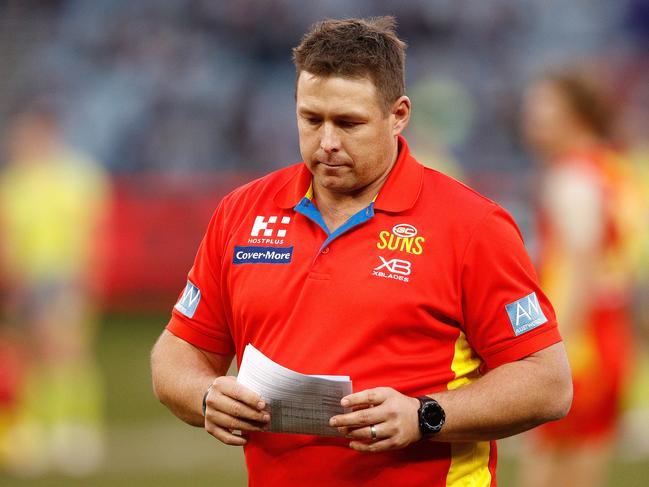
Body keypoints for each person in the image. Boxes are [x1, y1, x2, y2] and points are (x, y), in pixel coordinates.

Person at [151, 17, 572, 486]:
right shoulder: (241, 213)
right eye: (311, 120)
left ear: (399, 115)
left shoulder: (473, 226)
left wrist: (424, 415)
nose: (327, 142)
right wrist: (204, 395)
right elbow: (178, 352)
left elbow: (548, 383)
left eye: (348, 123)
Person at [519, 69, 637, 487]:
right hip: (609, 333)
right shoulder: (611, 168)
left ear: (574, 116)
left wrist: (552, 348)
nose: (531, 118)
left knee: (546, 468)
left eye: (542, 108)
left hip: (580, 340)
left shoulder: (572, 176)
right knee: (586, 465)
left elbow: (581, 269)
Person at [0, 98, 109, 476]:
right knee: (30, 358)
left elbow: (95, 232)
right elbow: (8, 237)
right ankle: (35, 431)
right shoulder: (14, 182)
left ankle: (74, 431)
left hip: (65, 277)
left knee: (68, 353)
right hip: (28, 281)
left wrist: (86, 278)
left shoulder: (77, 176)